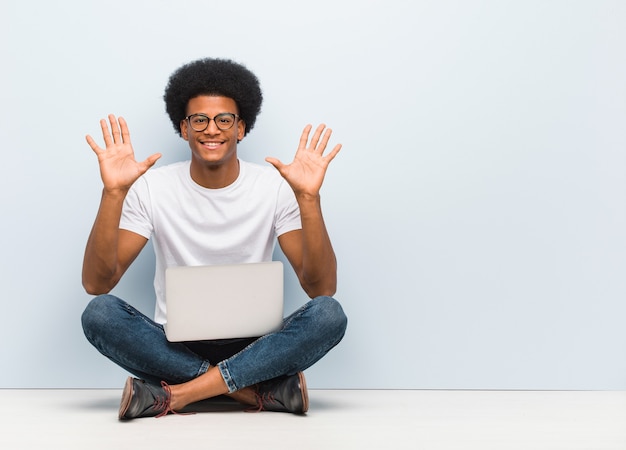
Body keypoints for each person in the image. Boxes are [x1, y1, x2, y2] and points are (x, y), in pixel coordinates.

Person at [80, 58, 348, 420]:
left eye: (224, 119)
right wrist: (113, 192)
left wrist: (309, 199)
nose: (211, 129)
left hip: (257, 345)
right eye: (199, 120)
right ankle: (253, 392)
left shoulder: (275, 187)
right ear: (184, 128)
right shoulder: (152, 187)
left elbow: (321, 287)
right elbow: (97, 282)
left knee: (329, 315)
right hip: (175, 344)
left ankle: (178, 395)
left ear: (241, 128)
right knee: (100, 314)